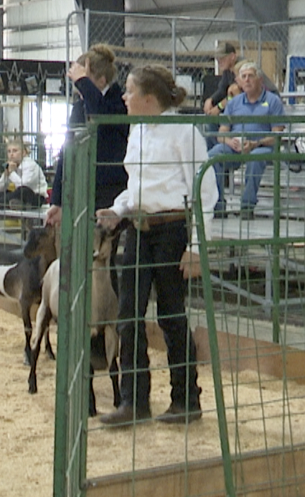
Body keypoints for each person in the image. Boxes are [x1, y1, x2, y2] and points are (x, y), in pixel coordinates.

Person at [96, 65, 218, 426]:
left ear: (148, 99)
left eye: (129, 91)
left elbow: (205, 192)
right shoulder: (138, 129)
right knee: (129, 315)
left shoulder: (184, 132)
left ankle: (186, 400)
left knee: (171, 315)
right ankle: (134, 402)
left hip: (172, 230)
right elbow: (137, 185)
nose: (124, 97)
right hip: (139, 229)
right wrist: (118, 210)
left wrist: (196, 247)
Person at [46, 45, 129, 229]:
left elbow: (99, 115)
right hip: (81, 188)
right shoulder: (79, 106)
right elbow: (67, 150)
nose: (78, 87)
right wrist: (57, 200)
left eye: (84, 81)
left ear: (101, 81)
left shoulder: (119, 104)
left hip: (110, 189)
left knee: (102, 250)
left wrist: (83, 82)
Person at [208, 62, 286, 219]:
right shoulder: (234, 102)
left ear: (259, 79)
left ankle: (247, 206)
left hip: (262, 145)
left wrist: (255, 143)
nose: (247, 80)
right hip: (235, 145)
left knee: (255, 159)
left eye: (251, 76)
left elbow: (277, 135)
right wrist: (230, 142)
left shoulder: (273, 101)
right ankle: (218, 206)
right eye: (243, 77)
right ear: (239, 81)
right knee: (213, 156)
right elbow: (221, 133)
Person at [0, 139, 48, 207]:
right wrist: (6, 175)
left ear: (23, 153)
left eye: (15, 151)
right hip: (18, 195)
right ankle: (14, 203)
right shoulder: (12, 165)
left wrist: (11, 173)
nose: (11, 154)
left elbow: (23, 186)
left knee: (23, 191)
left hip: (35, 197)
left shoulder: (30, 165)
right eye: (9, 151)